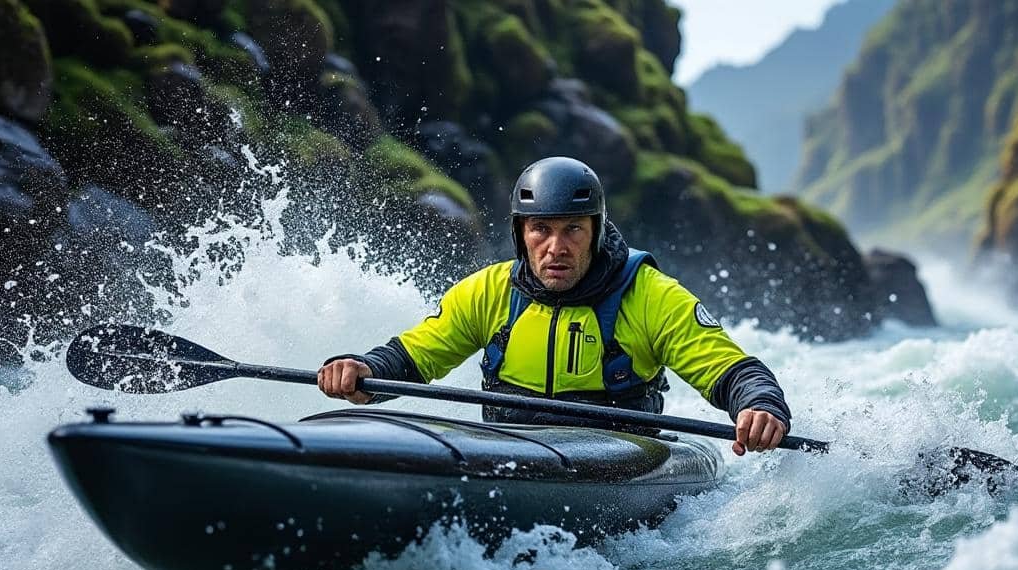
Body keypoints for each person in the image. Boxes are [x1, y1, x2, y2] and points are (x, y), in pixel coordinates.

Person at [318, 156, 791, 456]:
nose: (555, 247)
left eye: (573, 230)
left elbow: (732, 369)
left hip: (615, 453)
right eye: (541, 229)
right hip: (509, 449)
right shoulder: (490, 291)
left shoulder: (648, 295)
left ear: (597, 231)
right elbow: (412, 356)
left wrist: (760, 406)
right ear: (521, 235)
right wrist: (363, 372)